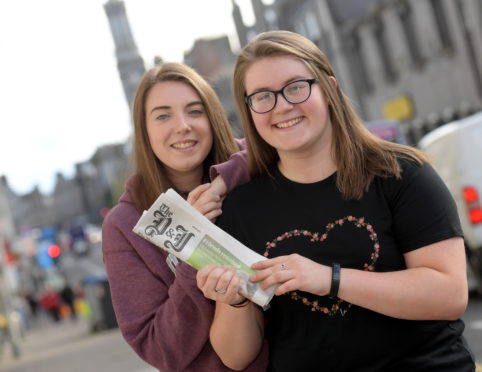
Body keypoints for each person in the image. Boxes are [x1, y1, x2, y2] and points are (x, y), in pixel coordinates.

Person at [196, 30, 475, 371]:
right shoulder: (241, 209)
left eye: (296, 87)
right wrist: (234, 300)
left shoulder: (401, 174)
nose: (282, 105)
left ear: (329, 88)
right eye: (262, 96)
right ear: (249, 110)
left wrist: (330, 279)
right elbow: (236, 357)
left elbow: (449, 295)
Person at [102, 62, 267, 371]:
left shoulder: (253, 167)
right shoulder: (124, 225)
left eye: (194, 111)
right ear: (144, 131)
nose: (182, 126)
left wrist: (223, 181)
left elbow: (271, 146)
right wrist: (193, 247)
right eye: (163, 116)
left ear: (212, 116)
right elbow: (160, 350)